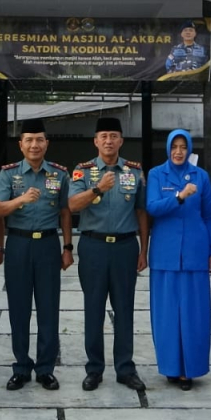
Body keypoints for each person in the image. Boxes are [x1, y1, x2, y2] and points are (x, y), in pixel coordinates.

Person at [0, 118, 72, 391]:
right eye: (29, 140)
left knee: (48, 309)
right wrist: (21, 200)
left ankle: (46, 369)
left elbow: (65, 212)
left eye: (39, 140)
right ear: (21, 144)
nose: (34, 145)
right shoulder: (8, 174)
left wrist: (68, 247)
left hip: (48, 245)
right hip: (18, 244)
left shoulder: (59, 174)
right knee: (19, 309)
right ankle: (22, 367)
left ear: (46, 143)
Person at [68, 117, 148, 392]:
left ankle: (125, 369)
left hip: (125, 247)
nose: (108, 141)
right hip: (94, 247)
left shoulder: (134, 171)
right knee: (94, 309)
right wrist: (98, 188)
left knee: (124, 309)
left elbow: (141, 212)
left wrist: (144, 250)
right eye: (103, 136)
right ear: (95, 141)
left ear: (121, 140)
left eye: (113, 136)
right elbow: (72, 205)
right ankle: (94, 369)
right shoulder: (83, 171)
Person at [145, 129, 211, 390]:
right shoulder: (156, 174)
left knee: (193, 314)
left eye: (183, 147)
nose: (178, 151)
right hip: (165, 254)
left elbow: (209, 216)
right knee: (166, 314)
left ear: (189, 149)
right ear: (167, 148)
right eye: (174, 146)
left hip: (195, 253)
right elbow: (152, 207)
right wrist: (179, 197)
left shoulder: (201, 176)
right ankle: (171, 367)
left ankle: (190, 370)